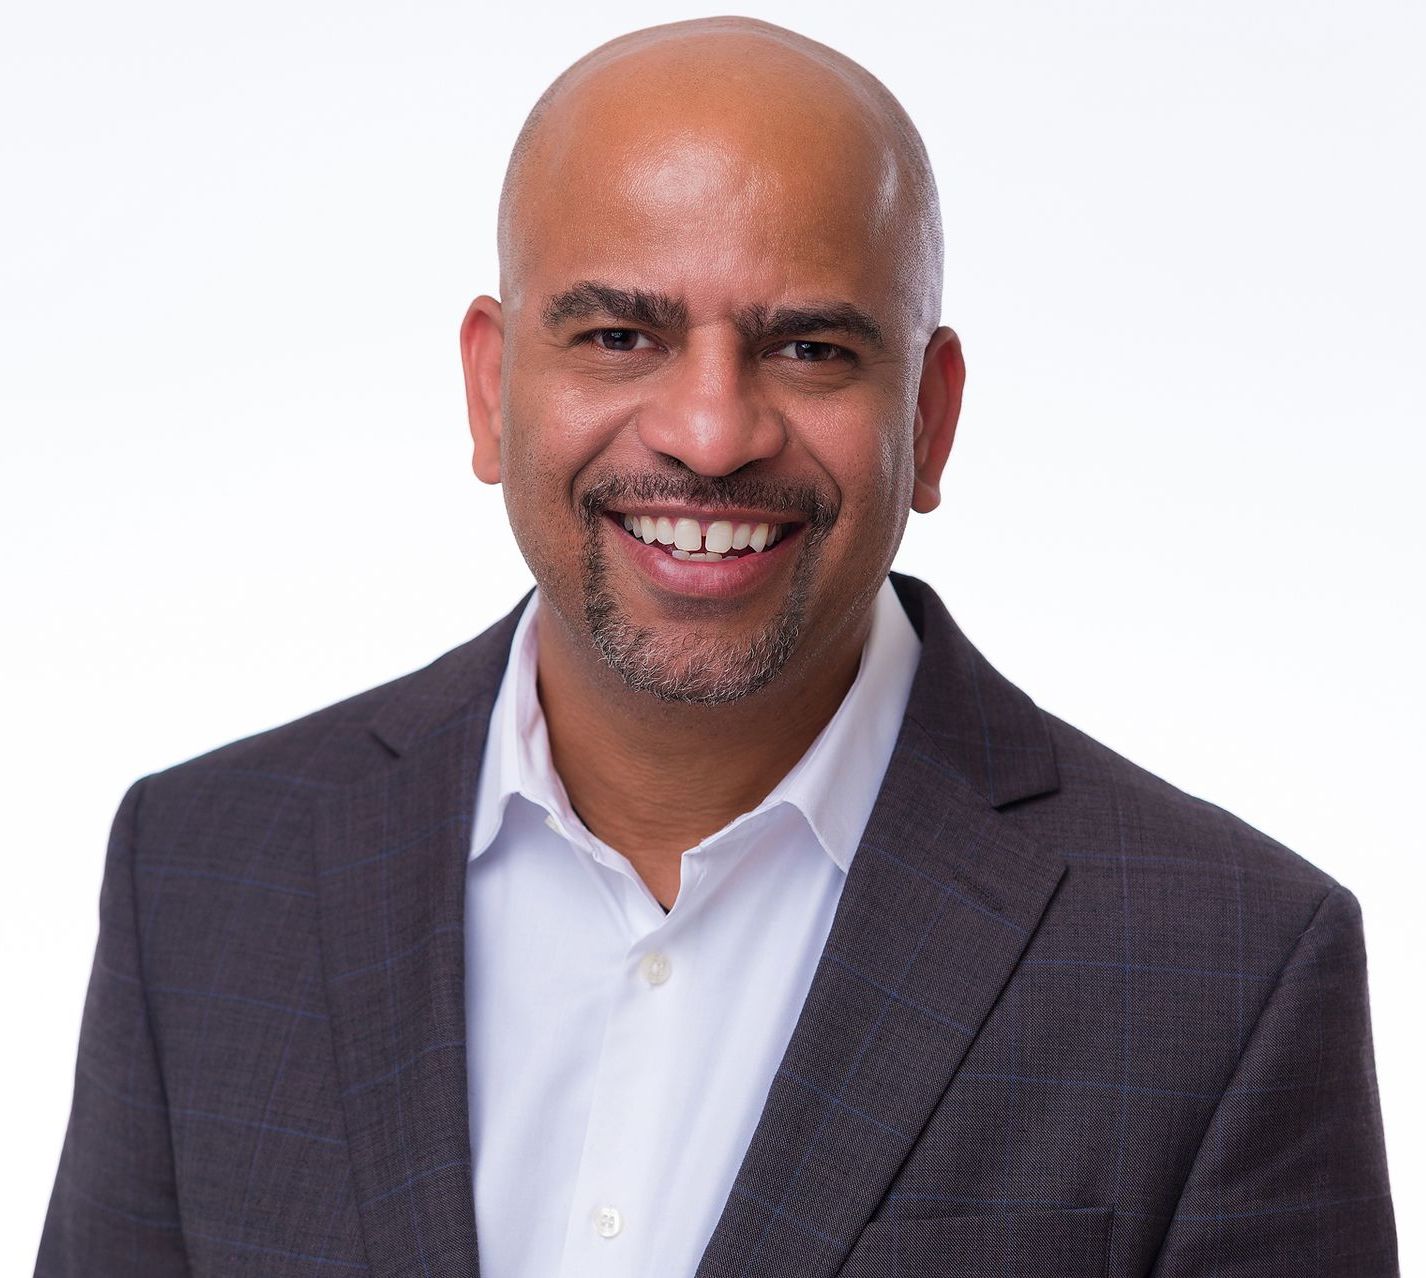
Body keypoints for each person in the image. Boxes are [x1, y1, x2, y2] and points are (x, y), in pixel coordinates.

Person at [37, 16, 1397, 1278]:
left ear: (928, 418)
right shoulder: (202, 870)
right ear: (489, 388)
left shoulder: (1230, 965)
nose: (708, 430)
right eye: (620, 334)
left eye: (806, 348)